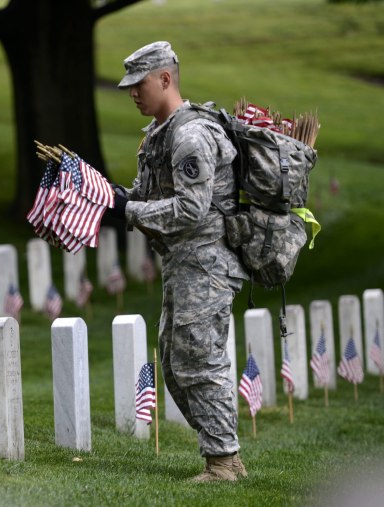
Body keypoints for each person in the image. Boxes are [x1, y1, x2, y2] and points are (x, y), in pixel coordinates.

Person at [107, 41, 249, 482]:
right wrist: (110, 197)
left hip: (206, 263)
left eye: (140, 83)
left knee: (199, 361)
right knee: (173, 361)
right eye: (129, 85)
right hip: (181, 263)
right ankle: (227, 455)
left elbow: (190, 208)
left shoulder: (190, 135)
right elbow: (149, 198)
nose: (132, 92)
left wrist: (128, 211)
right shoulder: (158, 134)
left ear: (165, 79)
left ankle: (222, 461)